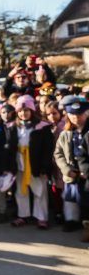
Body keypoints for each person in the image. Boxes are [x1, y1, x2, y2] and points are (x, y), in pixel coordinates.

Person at [8, 94, 54, 229]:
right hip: (20, 163)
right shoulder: (13, 126)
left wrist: (45, 167)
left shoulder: (42, 127)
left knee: (39, 190)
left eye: (26, 110)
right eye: (21, 111)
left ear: (32, 111)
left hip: (36, 164)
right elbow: (9, 148)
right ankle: (23, 215)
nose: (23, 113)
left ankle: (42, 218)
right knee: (21, 191)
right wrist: (10, 166)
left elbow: (47, 149)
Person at [54, 96, 89, 232]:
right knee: (70, 199)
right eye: (72, 115)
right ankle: (71, 221)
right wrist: (66, 169)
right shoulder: (66, 133)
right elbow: (58, 154)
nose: (76, 118)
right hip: (72, 172)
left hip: (86, 173)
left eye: (79, 114)